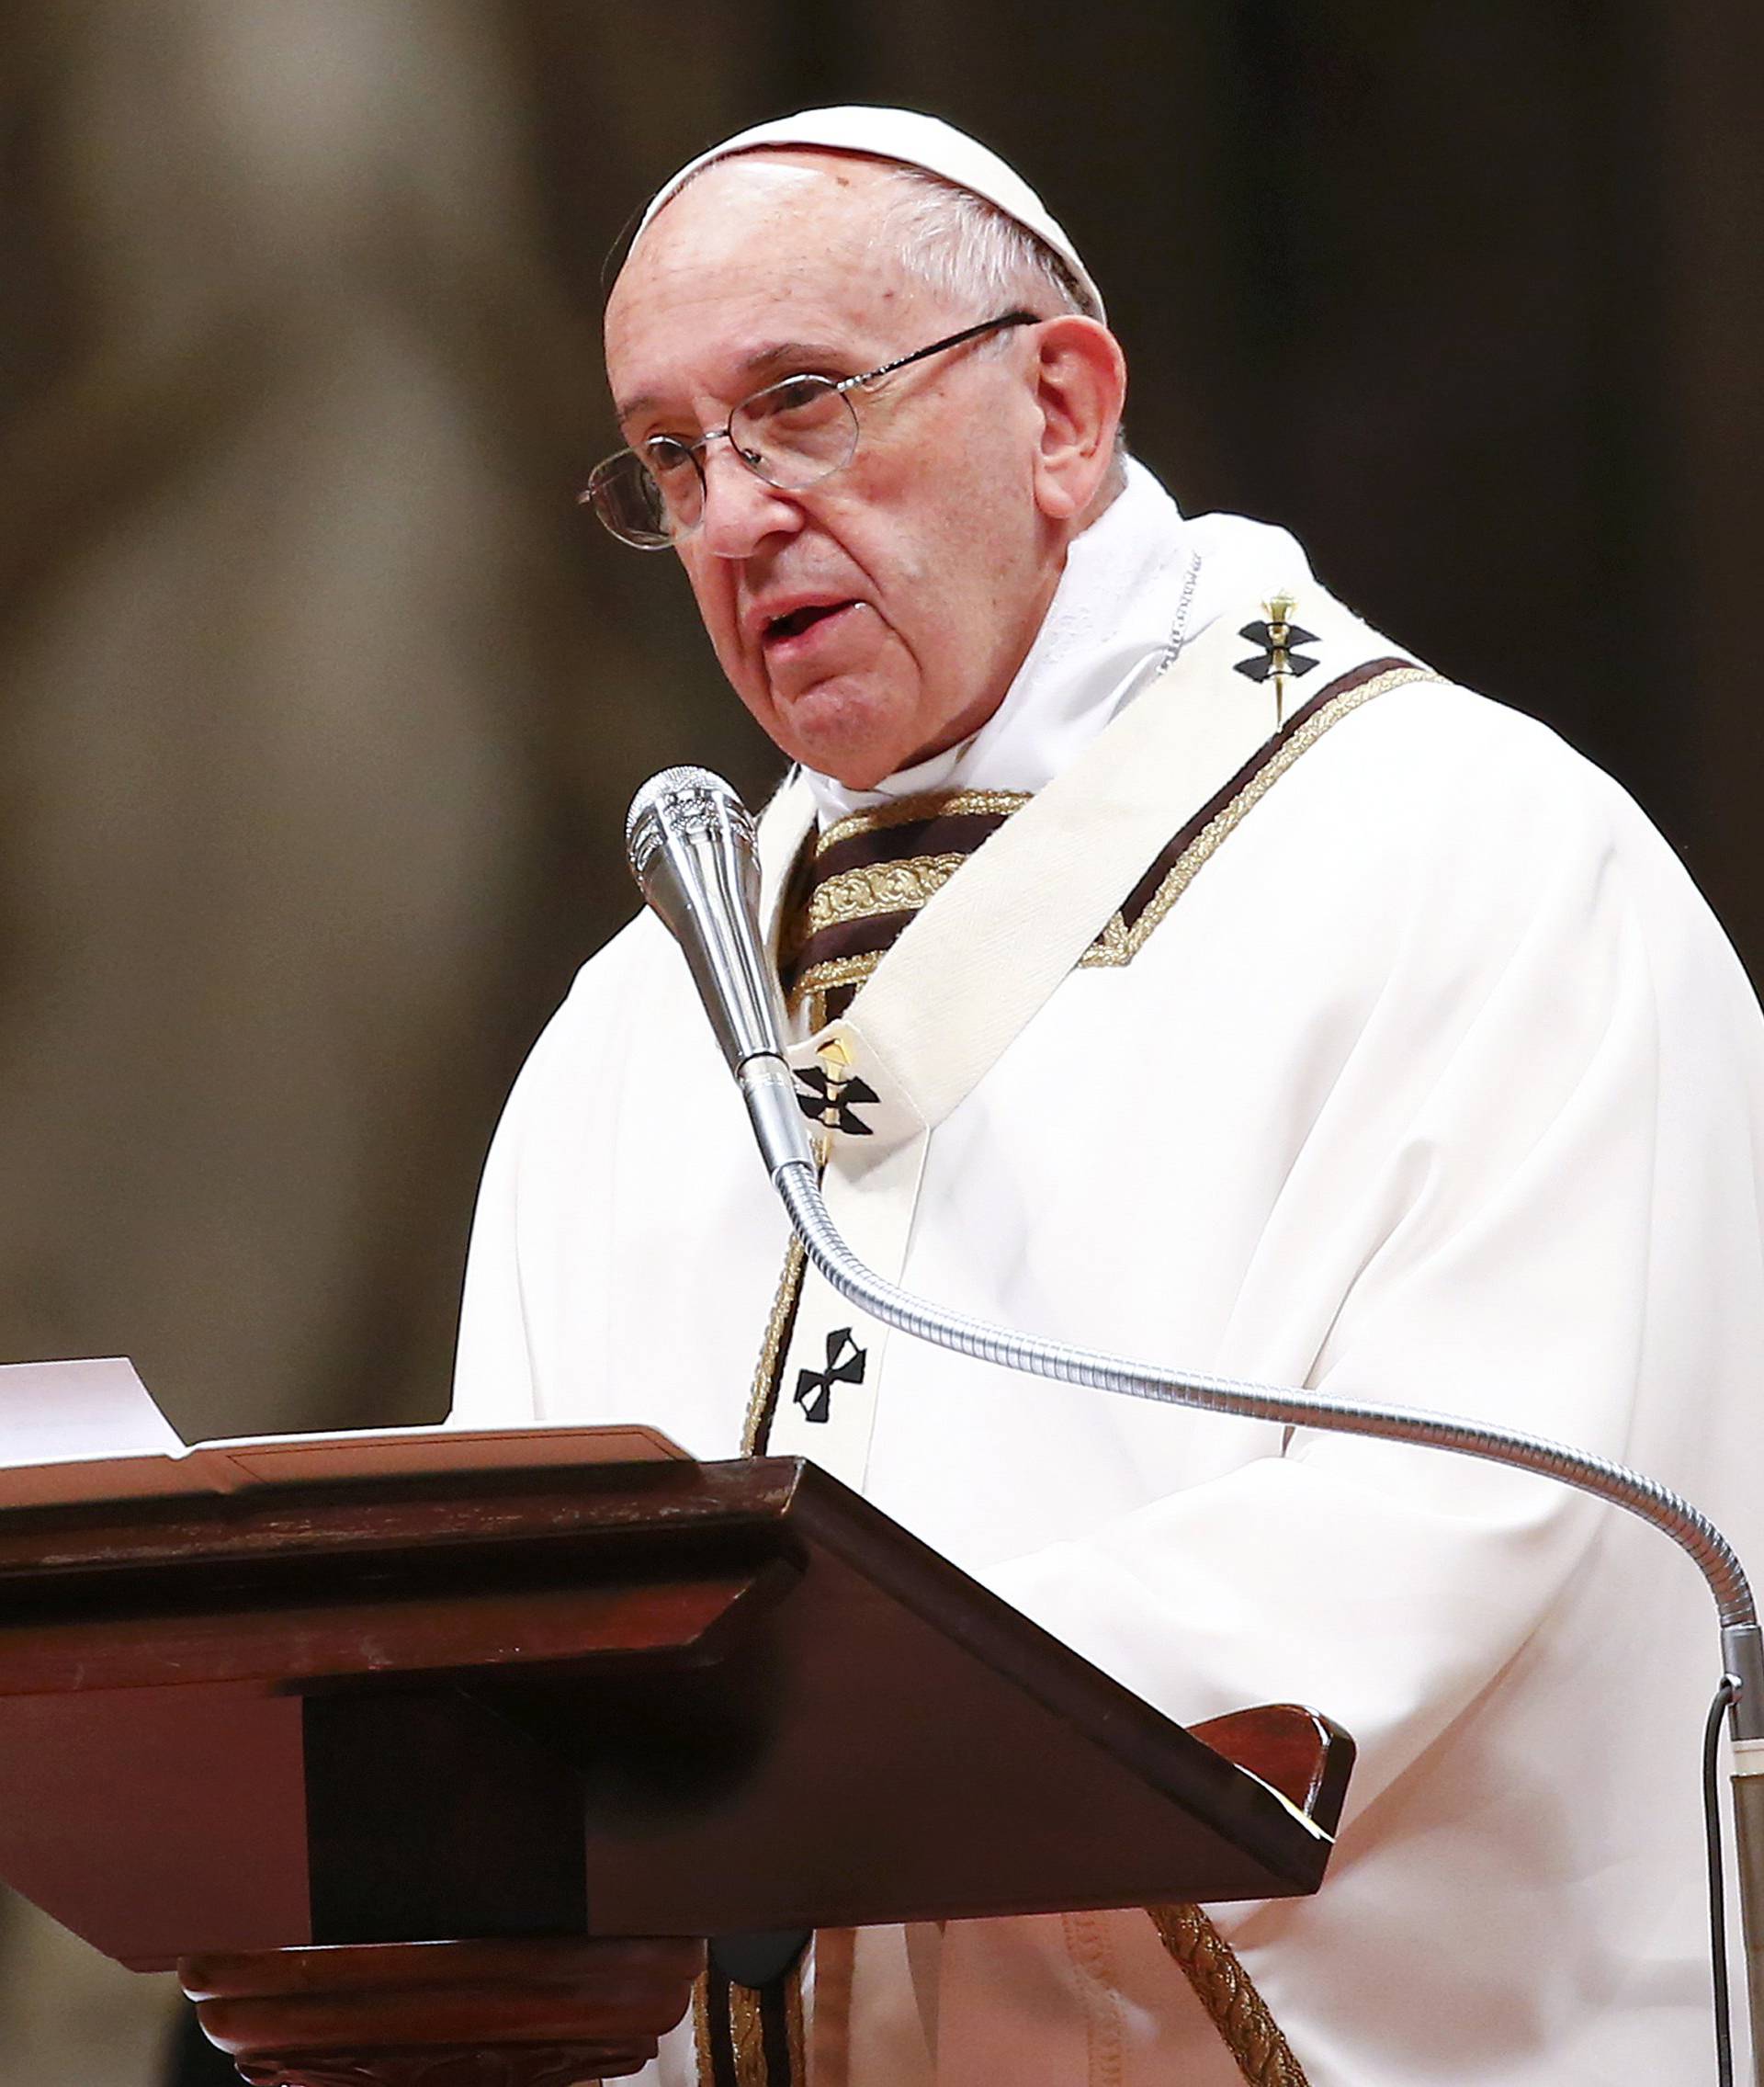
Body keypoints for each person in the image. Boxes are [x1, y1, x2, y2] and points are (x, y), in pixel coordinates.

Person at [451, 107, 1764, 2085]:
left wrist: (789, 1729)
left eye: (799, 404)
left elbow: (1471, 1531)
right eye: (668, 456)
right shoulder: (643, 1027)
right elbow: (500, 1610)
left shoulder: (1483, 872)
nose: (730, 518)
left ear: (1059, 408)